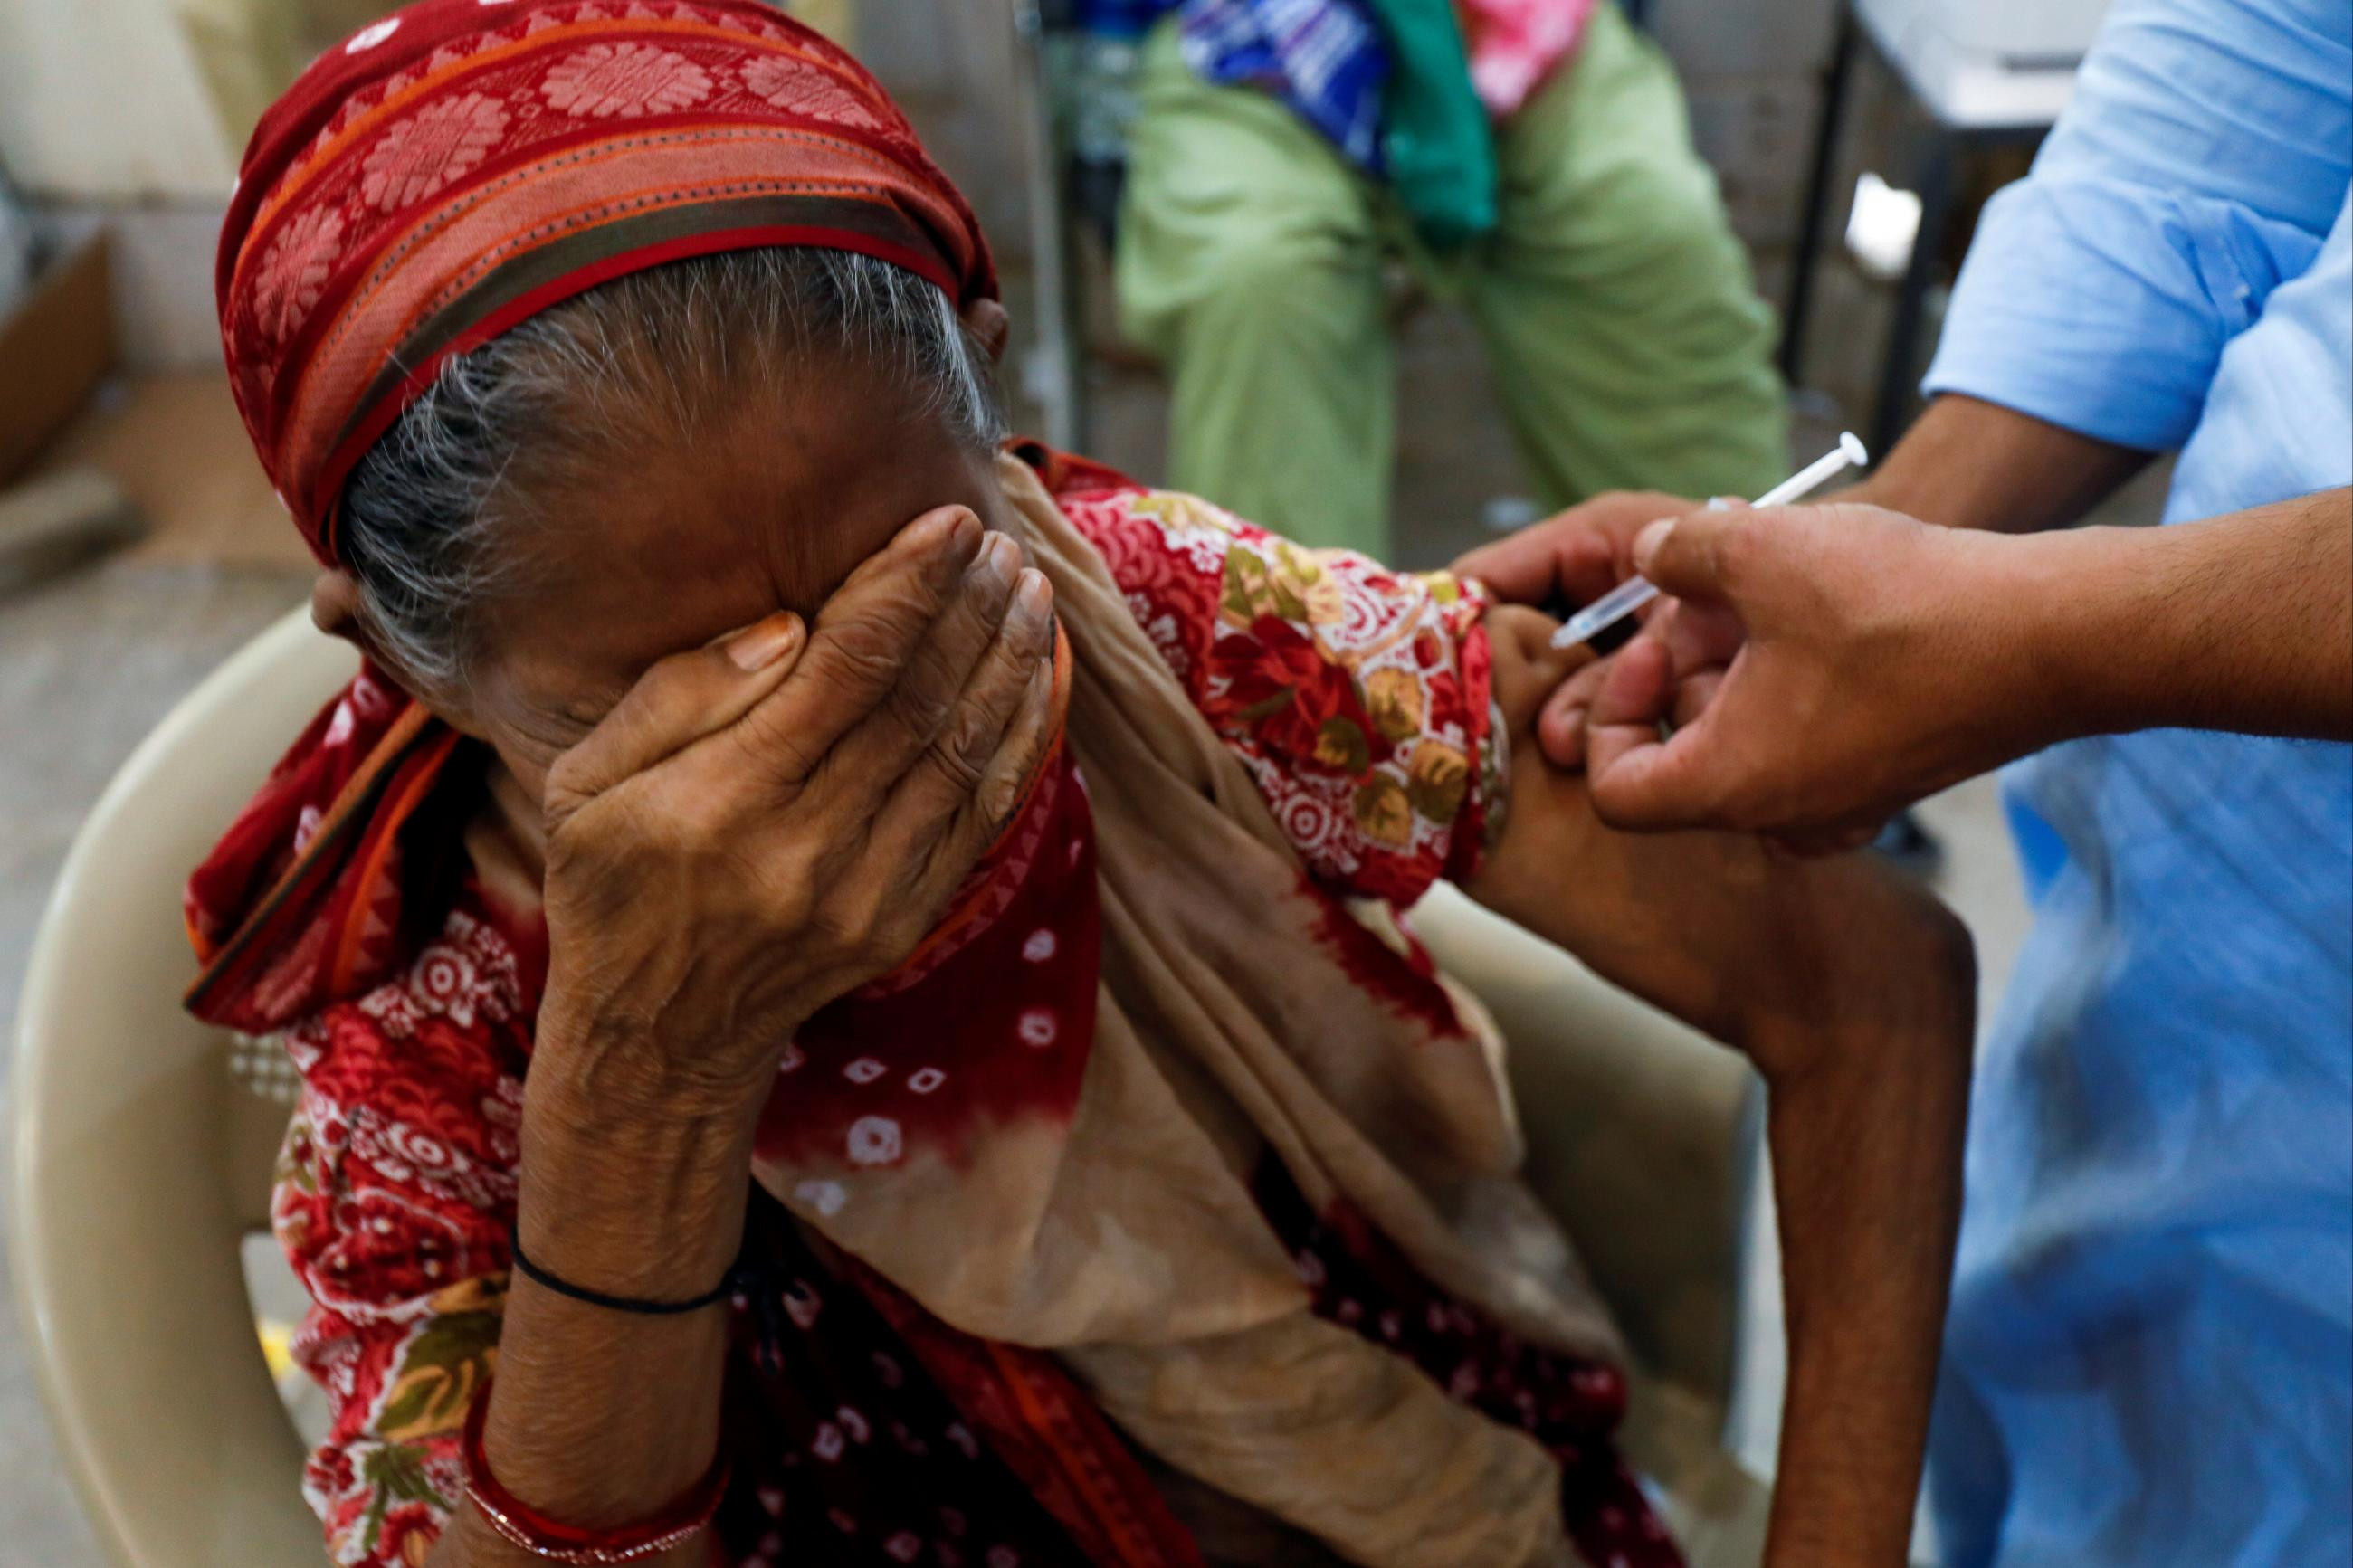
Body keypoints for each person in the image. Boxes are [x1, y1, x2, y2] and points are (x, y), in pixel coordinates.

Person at [190, 4, 1974, 1564]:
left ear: (985, 374)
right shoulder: (438, 1047)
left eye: (914, 605)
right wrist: (645, 1087)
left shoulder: (1171, 631)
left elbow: (1870, 987)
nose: (833, 773)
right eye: (680, 705)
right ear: (403, 653)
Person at [1462, 0, 2352, 1561]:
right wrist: (1896, 554)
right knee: (2101, 1448)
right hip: (2194, 987)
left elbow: (1877, 982)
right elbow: (2266, 68)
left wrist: (2023, 632)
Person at [1111, 0, 1786, 556]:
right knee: (1259, 282)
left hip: (1533, 30)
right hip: (1244, 40)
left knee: (1650, 232)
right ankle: (1296, 686)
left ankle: (1762, 612)